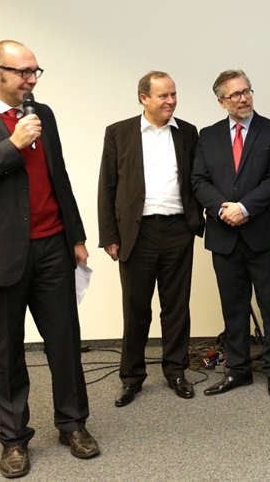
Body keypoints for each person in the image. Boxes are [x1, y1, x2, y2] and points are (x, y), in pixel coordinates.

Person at [0, 40, 98, 478]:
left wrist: (77, 235)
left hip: (52, 244)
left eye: (35, 71)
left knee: (65, 342)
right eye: (23, 72)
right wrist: (12, 144)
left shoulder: (42, 113)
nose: (31, 80)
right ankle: (13, 439)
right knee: (6, 351)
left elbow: (58, 175)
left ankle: (73, 425)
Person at [98, 71, 204, 407]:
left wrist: (197, 222)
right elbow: (107, 187)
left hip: (177, 231)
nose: (171, 101)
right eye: (163, 96)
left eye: (173, 94)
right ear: (144, 98)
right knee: (135, 309)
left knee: (176, 307)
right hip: (136, 232)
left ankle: (176, 371)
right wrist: (109, 236)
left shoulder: (188, 132)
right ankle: (131, 378)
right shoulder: (119, 133)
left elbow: (196, 180)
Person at [191, 70, 270, 399]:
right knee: (233, 307)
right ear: (221, 101)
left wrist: (244, 208)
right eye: (234, 94)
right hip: (224, 234)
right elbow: (198, 181)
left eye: (246, 91)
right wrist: (223, 208)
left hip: (265, 233)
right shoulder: (207, 136)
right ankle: (238, 370)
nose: (243, 98)